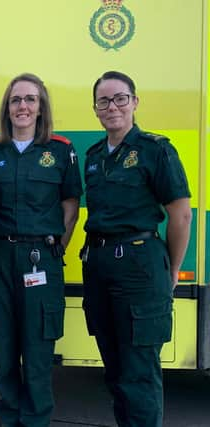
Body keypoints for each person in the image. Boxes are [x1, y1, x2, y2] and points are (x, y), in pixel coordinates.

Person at [81, 71, 192, 427]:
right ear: (96, 109)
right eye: (104, 101)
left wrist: (171, 270)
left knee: (139, 374)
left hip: (140, 268)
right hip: (99, 266)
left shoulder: (156, 150)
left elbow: (181, 215)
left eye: (120, 98)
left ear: (134, 102)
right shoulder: (94, 155)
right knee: (114, 373)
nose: (112, 106)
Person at [0, 73, 82, 427]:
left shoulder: (59, 150)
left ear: (41, 108)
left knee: (38, 355)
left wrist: (57, 246)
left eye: (30, 100)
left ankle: (36, 422)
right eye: (15, 100)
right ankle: (7, 421)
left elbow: (70, 206)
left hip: (42, 258)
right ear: (6, 109)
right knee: (4, 354)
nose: (22, 106)